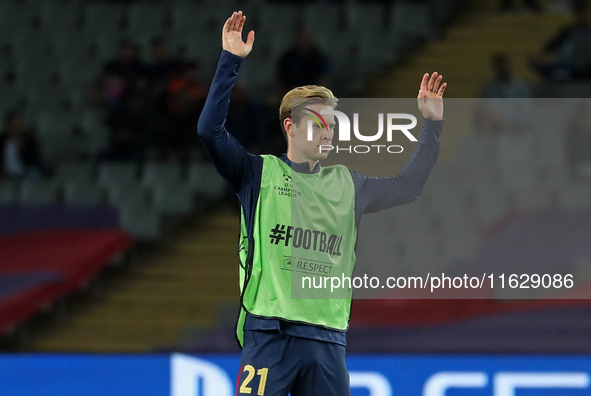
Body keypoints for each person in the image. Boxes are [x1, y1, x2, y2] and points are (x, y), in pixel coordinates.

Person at [197, 11, 446, 396]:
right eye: (317, 124)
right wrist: (231, 60)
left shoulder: (349, 184)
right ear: (290, 127)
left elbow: (408, 187)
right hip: (270, 334)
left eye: (332, 125)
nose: (327, 133)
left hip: (328, 341)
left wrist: (432, 125)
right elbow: (209, 131)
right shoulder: (258, 174)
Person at [529, 0, 591, 81]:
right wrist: (541, 56)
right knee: (561, 73)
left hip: (587, 67)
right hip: (571, 67)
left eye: (585, 14)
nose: (583, 17)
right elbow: (551, 45)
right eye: (581, 14)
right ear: (576, 15)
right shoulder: (569, 30)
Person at [474, 52, 532, 134]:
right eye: (500, 66)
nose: (503, 68)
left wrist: (513, 123)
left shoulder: (520, 87)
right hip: (494, 121)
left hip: (515, 121)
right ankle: (488, 144)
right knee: (484, 113)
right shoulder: (489, 88)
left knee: (488, 114)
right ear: (495, 68)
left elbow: (525, 112)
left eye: (505, 66)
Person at [0, 111, 46, 180]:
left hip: (26, 172)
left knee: (34, 174)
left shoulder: (30, 140)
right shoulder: (2, 141)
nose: (15, 129)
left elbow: (35, 160)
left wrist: (20, 147)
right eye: (12, 127)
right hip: (8, 174)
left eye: (17, 126)